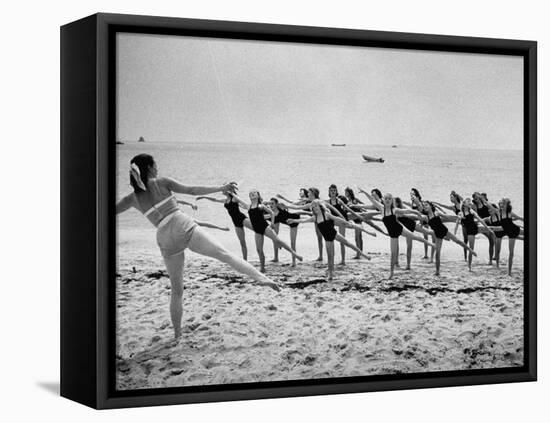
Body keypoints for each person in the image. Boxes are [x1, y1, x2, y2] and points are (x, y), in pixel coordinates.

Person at [116, 154, 279, 338]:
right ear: (150, 168)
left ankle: (177, 335)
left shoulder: (132, 198)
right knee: (224, 254)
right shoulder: (161, 182)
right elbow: (192, 190)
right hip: (181, 225)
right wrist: (221, 187)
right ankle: (261, 278)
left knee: (176, 291)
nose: (158, 167)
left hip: (163, 237)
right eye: (156, 165)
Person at [288, 200, 373, 281]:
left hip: (334, 233)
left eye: (316, 206)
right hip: (327, 239)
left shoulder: (326, 214)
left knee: (348, 243)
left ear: (320, 206)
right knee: (330, 256)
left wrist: (346, 222)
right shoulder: (315, 218)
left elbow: (336, 219)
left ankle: (363, 254)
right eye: (313, 207)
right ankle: (331, 274)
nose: (315, 208)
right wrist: (293, 220)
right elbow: (303, 221)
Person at [362, 190, 435, 279]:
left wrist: (419, 215)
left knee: (415, 237)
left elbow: (408, 211)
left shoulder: (394, 210)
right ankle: (391, 273)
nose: (388, 200)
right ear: (383, 200)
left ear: (392, 201)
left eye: (389, 199)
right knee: (393, 253)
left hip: (399, 228)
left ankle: (431, 244)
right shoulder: (382, 208)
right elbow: (371, 199)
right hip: (392, 234)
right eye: (386, 199)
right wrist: (363, 192)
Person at [231, 190, 303, 272]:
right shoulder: (249, 206)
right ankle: (262, 268)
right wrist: (231, 193)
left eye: (254, 193)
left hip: (265, 227)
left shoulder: (261, 206)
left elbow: (272, 213)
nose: (252, 194)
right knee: (259, 250)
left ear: (258, 196)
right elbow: (239, 200)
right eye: (251, 194)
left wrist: (272, 223)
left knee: (277, 240)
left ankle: (295, 254)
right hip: (257, 230)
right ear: (249, 197)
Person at [421, 201, 477, 276]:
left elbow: (447, 217)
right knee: (437, 254)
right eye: (424, 206)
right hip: (438, 235)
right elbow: (421, 223)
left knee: (458, 241)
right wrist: (419, 225)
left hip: (444, 230)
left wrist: (457, 217)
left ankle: (471, 250)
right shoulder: (425, 217)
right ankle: (437, 272)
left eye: (426, 205)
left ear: (431, 206)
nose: (425, 207)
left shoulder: (436, 213)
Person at [195, 192, 251, 259]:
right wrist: (204, 197)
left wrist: (232, 193)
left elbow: (244, 204)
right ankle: (245, 261)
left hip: (242, 218)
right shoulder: (225, 200)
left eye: (224, 189)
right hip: (236, 222)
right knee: (242, 243)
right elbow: (215, 199)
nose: (222, 190)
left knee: (258, 228)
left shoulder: (234, 198)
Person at [454, 198, 494, 271]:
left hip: (476, 227)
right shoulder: (461, 213)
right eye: (468, 201)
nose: (470, 202)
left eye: (470, 202)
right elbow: (457, 223)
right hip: (470, 231)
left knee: (493, 232)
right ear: (464, 204)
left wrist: (488, 228)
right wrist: (454, 233)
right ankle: (469, 266)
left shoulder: (471, 211)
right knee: (471, 248)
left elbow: (480, 220)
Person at [268, 197, 310, 266]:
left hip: (294, 221)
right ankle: (276, 258)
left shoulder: (281, 208)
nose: (271, 205)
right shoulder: (272, 214)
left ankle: (294, 262)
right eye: (270, 204)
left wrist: (309, 213)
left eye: (272, 204)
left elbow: (297, 211)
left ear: (276, 204)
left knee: (292, 243)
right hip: (283, 220)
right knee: (274, 238)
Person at [496, 198, 524, 275]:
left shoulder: (510, 213)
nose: (501, 205)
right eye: (500, 204)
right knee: (510, 252)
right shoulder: (499, 212)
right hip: (508, 232)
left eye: (503, 203)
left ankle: (509, 272)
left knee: (511, 252)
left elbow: (520, 218)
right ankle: (508, 272)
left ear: (507, 205)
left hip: (514, 230)